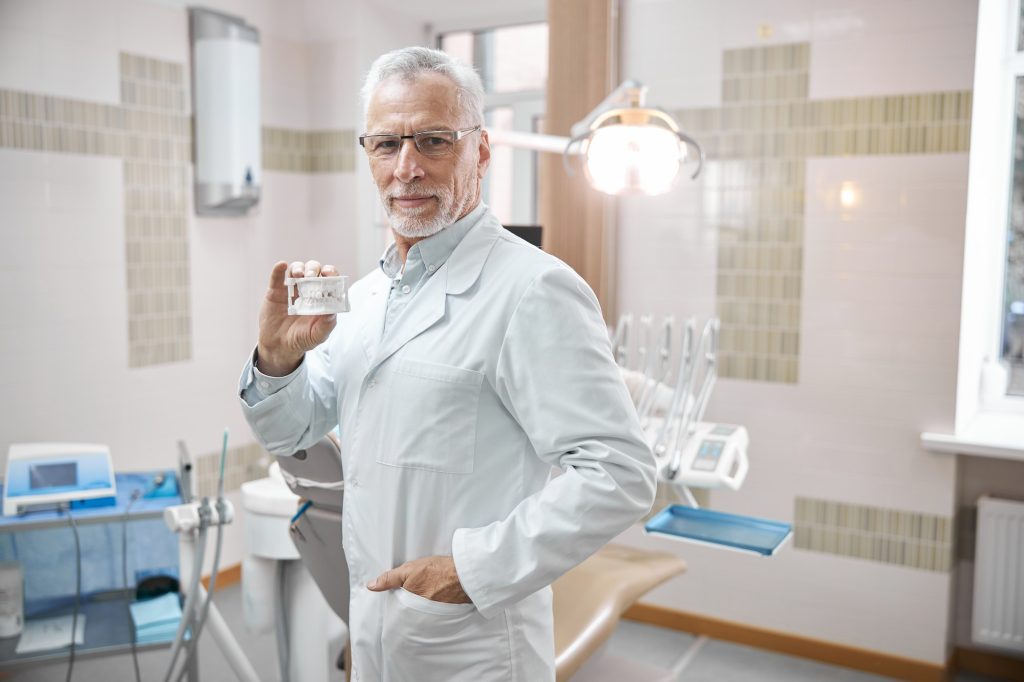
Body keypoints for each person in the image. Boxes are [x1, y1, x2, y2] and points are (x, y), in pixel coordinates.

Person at [238, 46, 656, 681]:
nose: (406, 168)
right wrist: (276, 359)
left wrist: (472, 569)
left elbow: (620, 473)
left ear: (480, 152)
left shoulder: (533, 290)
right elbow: (291, 431)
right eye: (386, 145)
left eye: (433, 141)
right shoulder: (368, 297)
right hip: (379, 631)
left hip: (472, 647)